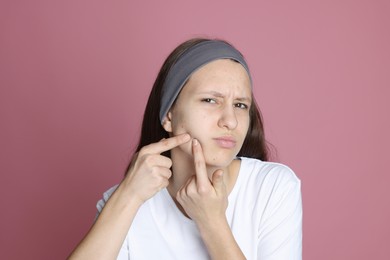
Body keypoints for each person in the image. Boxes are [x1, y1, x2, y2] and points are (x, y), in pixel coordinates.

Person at [68, 38, 302, 260]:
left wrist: (212, 222)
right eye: (210, 100)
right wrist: (129, 196)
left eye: (240, 105)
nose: (230, 121)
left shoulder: (273, 187)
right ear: (169, 115)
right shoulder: (124, 200)